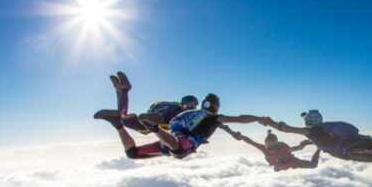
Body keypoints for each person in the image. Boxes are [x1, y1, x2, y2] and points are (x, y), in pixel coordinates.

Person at [94, 72, 265, 159]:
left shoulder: (197, 115)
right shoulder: (210, 117)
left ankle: (119, 112)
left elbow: (226, 124)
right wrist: (258, 118)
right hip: (171, 137)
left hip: (166, 135)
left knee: (131, 150)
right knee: (179, 150)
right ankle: (151, 126)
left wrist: (233, 134)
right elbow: (236, 119)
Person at [262, 93, 372, 163]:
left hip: (351, 150)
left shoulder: (311, 132)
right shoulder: (318, 134)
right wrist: (299, 148)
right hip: (354, 145)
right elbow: (300, 144)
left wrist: (271, 123)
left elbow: (288, 129)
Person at [220, 127, 321, 170]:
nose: (270, 146)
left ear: (276, 143)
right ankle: (269, 134)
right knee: (277, 166)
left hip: (291, 162)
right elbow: (251, 142)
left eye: (272, 143)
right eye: (268, 144)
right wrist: (241, 137)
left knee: (313, 165)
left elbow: (297, 148)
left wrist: (306, 144)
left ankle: (320, 148)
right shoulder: (265, 149)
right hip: (281, 164)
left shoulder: (283, 148)